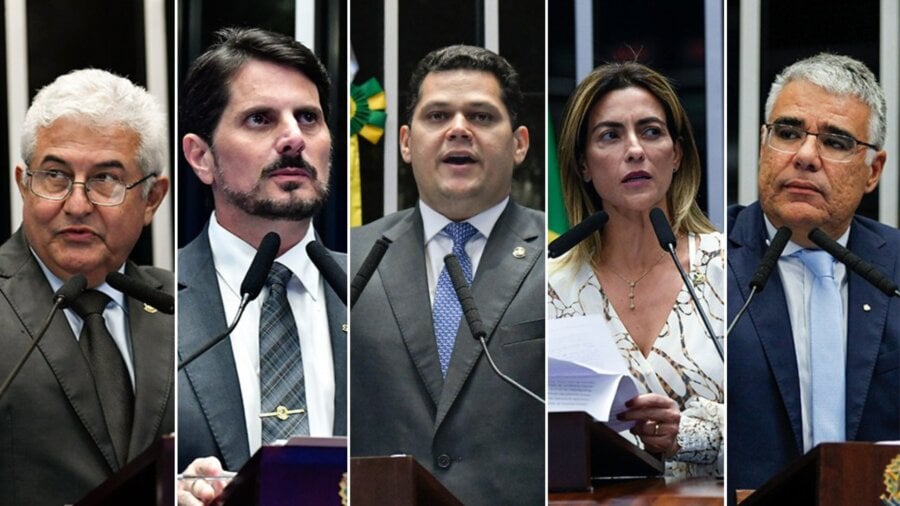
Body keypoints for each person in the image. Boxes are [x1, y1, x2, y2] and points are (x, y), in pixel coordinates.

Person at [350, 45, 544, 505]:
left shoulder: (563, 258)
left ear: (518, 144)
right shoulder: (349, 261)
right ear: (405, 142)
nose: (459, 130)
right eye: (437, 117)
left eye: (480, 116)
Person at [177, 27, 346, 505]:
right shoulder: (153, 305)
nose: (293, 138)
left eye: (309, 118)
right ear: (201, 157)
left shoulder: (381, 294)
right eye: (260, 119)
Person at [727, 53, 898, 498]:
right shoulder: (696, 259)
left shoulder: (895, 270)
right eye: (787, 133)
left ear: (873, 172)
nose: (804, 156)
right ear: (763, 145)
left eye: (836, 142)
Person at [0, 69, 172, 505]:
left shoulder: (187, 309)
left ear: (152, 198)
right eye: (54, 175)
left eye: (105, 179)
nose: (77, 205)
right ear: (24, 184)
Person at [547, 62, 724, 478]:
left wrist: (693, 434)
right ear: (584, 166)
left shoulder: (728, 270)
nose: (635, 150)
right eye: (610, 135)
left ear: (677, 154)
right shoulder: (554, 288)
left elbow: (773, 424)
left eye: (651, 131)